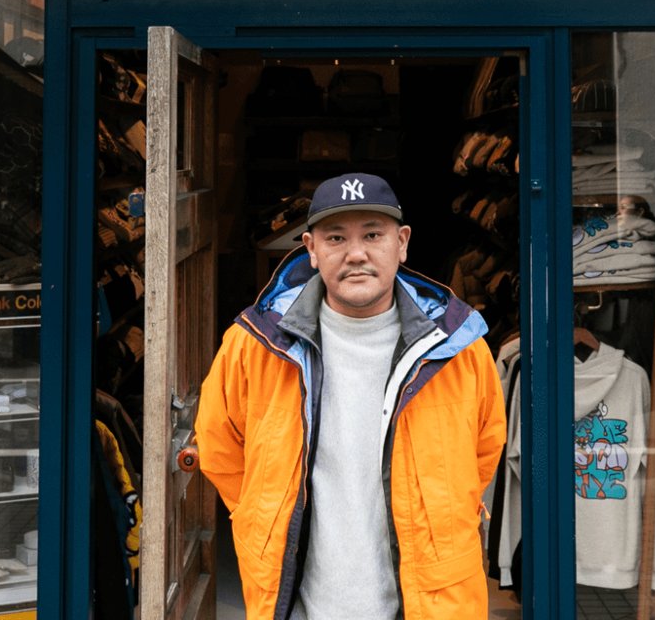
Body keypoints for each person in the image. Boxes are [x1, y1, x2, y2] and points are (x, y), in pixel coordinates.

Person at [195, 172, 507, 620]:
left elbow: (484, 449)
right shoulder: (256, 344)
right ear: (311, 249)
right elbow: (220, 446)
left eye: (373, 235)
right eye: (336, 237)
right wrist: (262, 514)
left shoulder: (458, 347)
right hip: (299, 604)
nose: (356, 253)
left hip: (431, 602)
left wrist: (437, 512)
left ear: (401, 243)